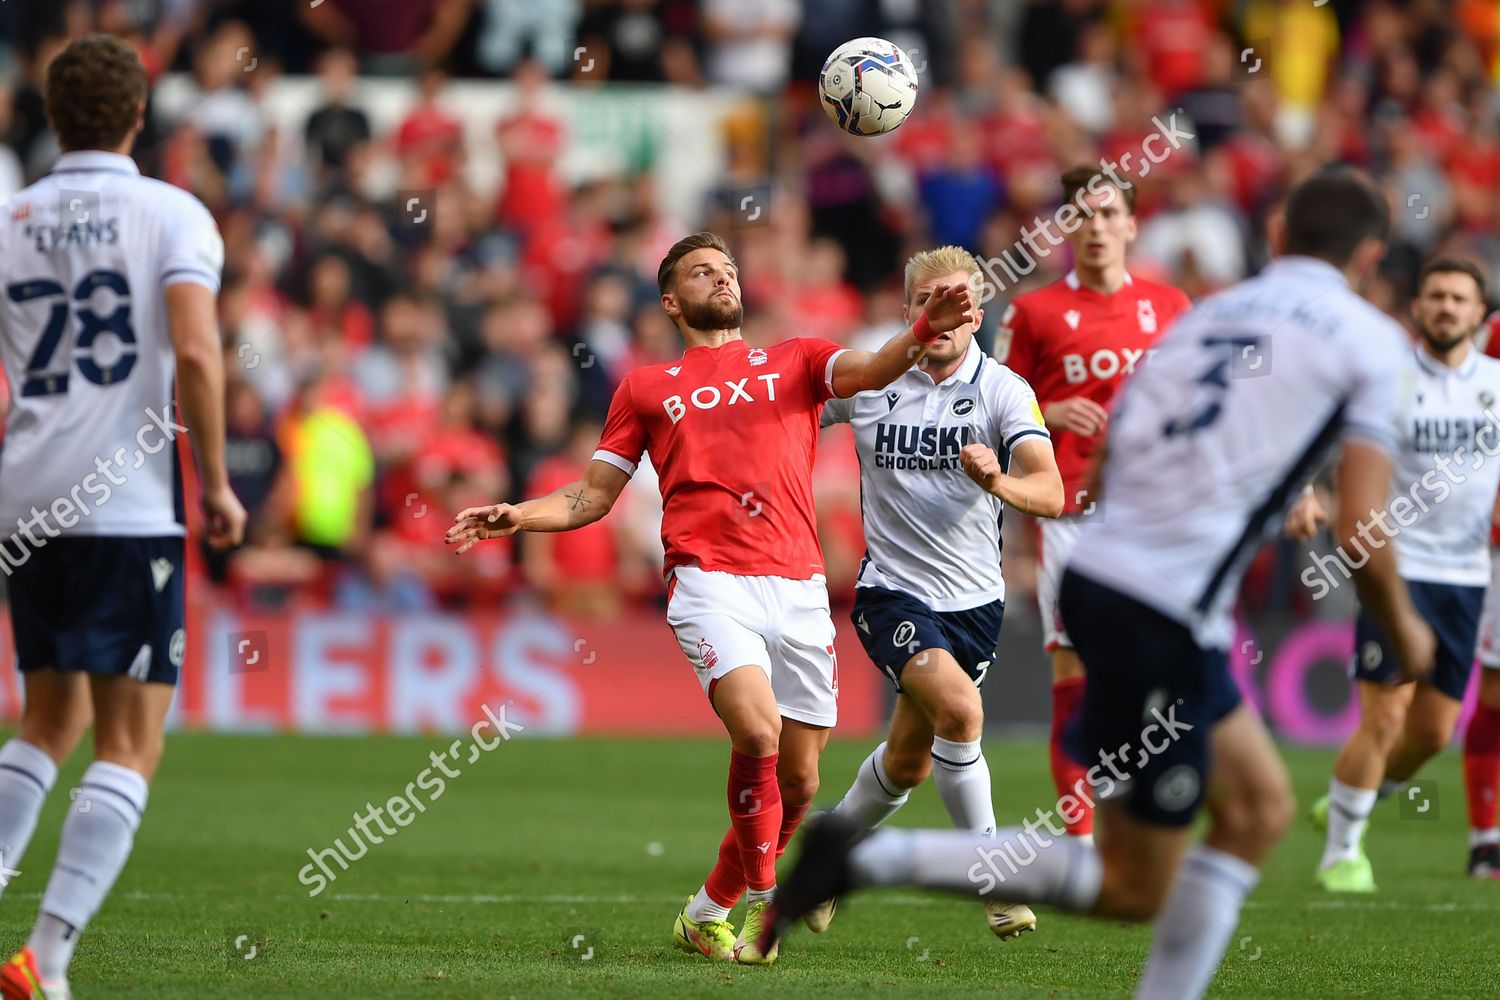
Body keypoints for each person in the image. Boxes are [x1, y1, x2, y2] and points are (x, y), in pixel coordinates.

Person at [763, 167, 1435, 1000]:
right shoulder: (1366, 339)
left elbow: (1123, 443)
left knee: (1256, 808)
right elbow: (1363, 530)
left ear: (1276, 234)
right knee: (1133, 885)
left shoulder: (1212, 313)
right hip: (1164, 601)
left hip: (1100, 561)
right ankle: (872, 856)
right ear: (1370, 253)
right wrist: (1404, 628)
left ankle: (859, 845)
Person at [446, 231, 977, 965]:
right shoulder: (645, 386)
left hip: (797, 584)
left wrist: (926, 326)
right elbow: (592, 495)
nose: (720, 279)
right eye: (701, 271)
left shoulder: (797, 359)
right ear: (671, 300)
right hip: (708, 578)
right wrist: (518, 514)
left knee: (800, 781)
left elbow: (878, 366)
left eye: (727, 269)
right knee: (756, 733)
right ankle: (767, 899)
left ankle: (705, 913)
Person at [0, 35, 246, 1000]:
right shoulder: (171, 214)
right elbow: (195, 349)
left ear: (51, 115)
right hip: (126, 501)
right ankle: (46, 959)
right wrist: (217, 480)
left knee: (45, 717)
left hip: (27, 495)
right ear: (141, 114)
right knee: (130, 740)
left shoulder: (11, 218)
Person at [808, 245, 1062, 941]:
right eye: (926, 302)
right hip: (892, 593)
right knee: (960, 709)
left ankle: (824, 860)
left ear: (977, 312)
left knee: (908, 762)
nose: (940, 316)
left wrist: (999, 483)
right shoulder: (871, 380)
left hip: (975, 605)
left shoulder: (1003, 390)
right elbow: (789, 408)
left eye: (954, 302)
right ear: (907, 311)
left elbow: (1052, 489)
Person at [996, 164, 1191, 842]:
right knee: (1073, 668)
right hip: (1070, 512)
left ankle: (1144, 819)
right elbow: (990, 413)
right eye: (1083, 214)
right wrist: (1046, 410)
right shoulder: (1033, 312)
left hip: (1154, 513)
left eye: (1110, 214)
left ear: (1133, 225)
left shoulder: (1170, 308)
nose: (1098, 226)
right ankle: (1080, 843)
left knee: (1155, 669)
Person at [1297, 257, 1500, 891]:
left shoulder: (1496, 381)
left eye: (1458, 299)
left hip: (1468, 573)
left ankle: (1351, 797)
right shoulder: (1388, 378)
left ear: (1479, 314)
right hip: (1396, 565)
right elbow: (1319, 439)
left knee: (1433, 732)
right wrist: (1308, 490)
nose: (1445, 307)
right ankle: (1342, 855)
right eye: (1435, 296)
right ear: (1418, 307)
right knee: (1384, 718)